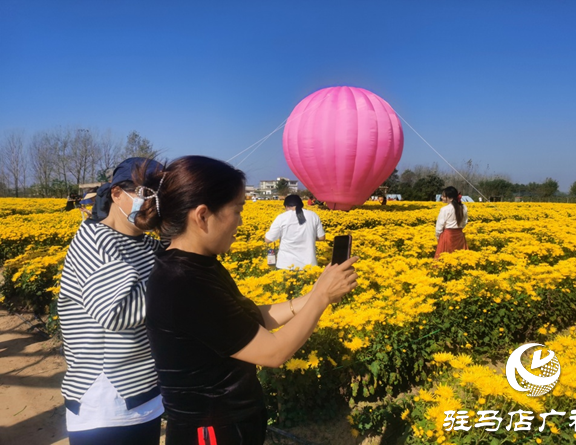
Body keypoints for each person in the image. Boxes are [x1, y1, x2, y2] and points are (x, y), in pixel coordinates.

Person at [135, 156, 358, 445]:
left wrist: (317, 293)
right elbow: (273, 352)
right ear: (202, 216)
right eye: (237, 210)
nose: (240, 221)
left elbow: (250, 319)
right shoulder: (182, 282)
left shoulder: (197, 264)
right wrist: (322, 298)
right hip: (211, 431)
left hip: (229, 424)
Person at [57, 157, 166, 445]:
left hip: (144, 396)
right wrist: (177, 284)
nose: (154, 202)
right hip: (106, 403)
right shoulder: (95, 240)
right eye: (146, 193)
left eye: (162, 195)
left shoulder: (146, 243)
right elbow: (118, 313)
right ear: (117, 193)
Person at [264, 194, 326, 270]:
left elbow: (268, 240)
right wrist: (307, 237)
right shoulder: (313, 215)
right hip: (309, 265)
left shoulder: (281, 217)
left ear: (286, 206)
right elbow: (322, 237)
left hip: (286, 265)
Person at [434, 186, 469, 259]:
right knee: (460, 258)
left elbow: (439, 228)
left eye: (444, 196)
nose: (441, 198)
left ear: (451, 198)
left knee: (445, 259)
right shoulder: (464, 207)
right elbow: (465, 222)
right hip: (459, 235)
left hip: (448, 236)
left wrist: (438, 238)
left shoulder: (445, 209)